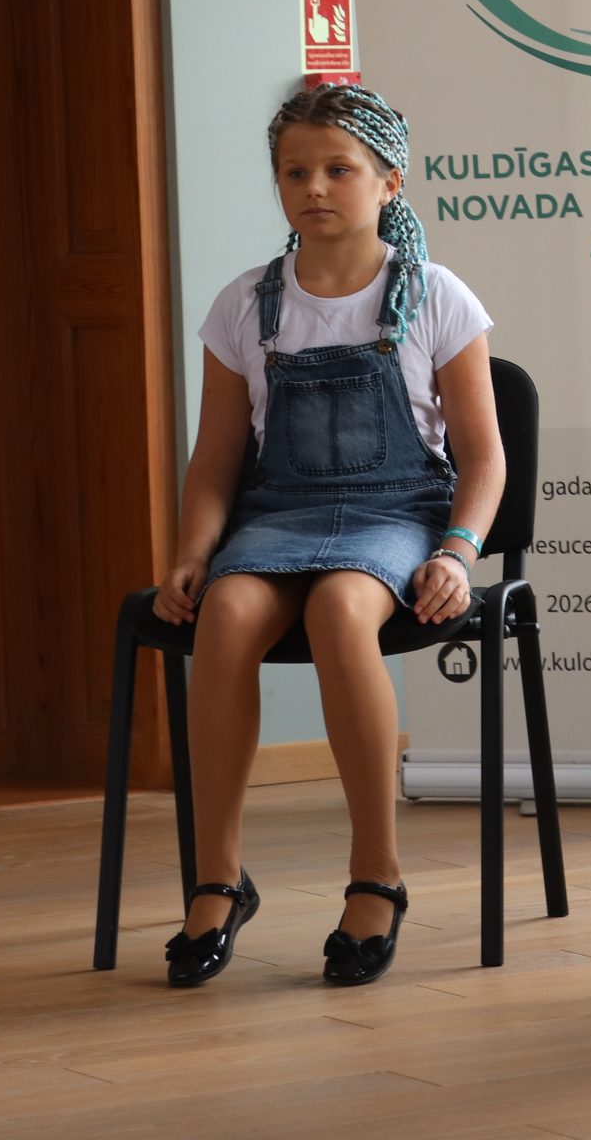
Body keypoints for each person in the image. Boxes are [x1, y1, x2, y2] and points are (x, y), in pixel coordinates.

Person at [153, 83, 503, 989]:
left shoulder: (435, 295)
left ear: (390, 181)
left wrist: (458, 551)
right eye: (294, 171)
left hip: (396, 513)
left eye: (339, 169)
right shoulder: (245, 304)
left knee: (342, 611)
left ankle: (376, 873)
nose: (314, 187)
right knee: (226, 614)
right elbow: (215, 461)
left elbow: (484, 458)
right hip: (279, 511)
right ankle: (218, 877)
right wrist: (192, 553)